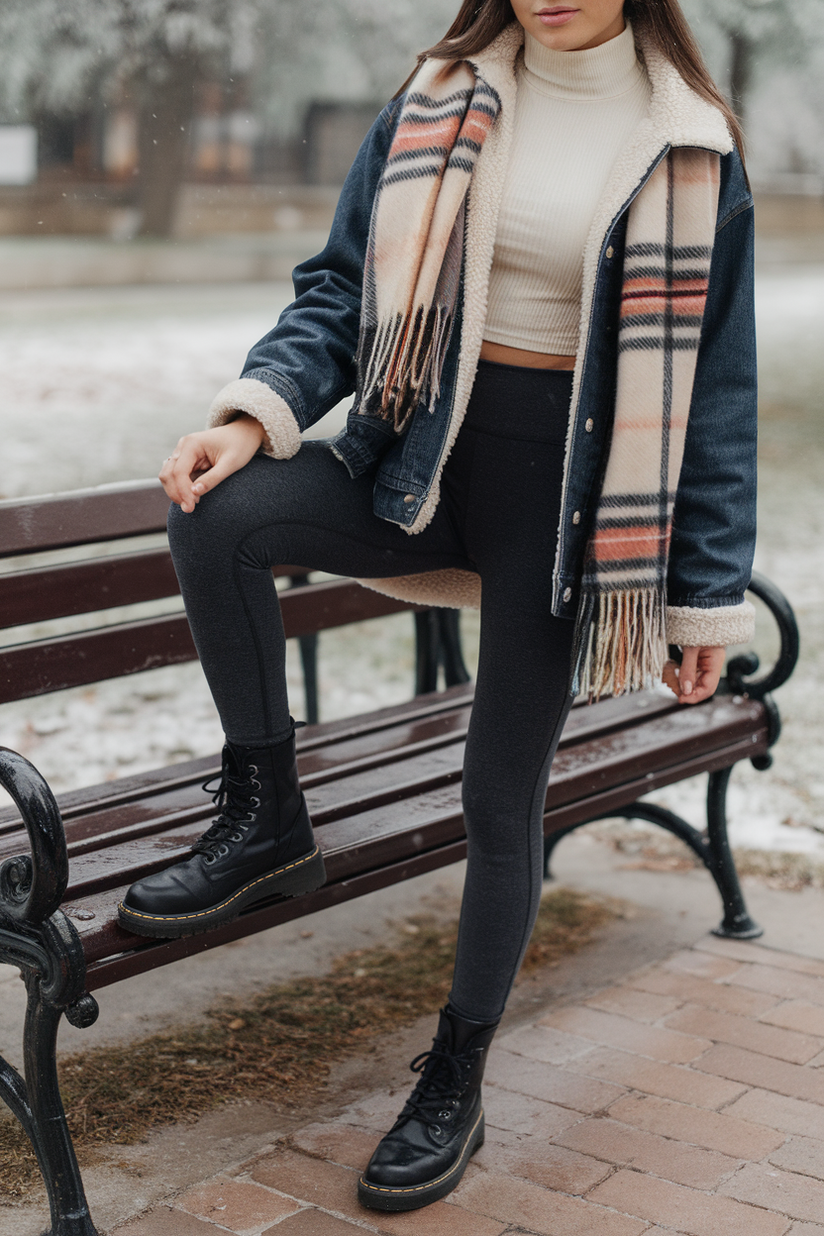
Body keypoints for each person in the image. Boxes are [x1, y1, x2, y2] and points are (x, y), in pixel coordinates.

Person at [118, 0, 757, 1213]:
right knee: (220, 513)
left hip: (570, 510)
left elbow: (718, 393)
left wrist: (702, 601)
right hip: (417, 465)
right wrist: (251, 416)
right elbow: (339, 290)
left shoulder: (690, 144)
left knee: (494, 800)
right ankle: (267, 821)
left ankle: (453, 1075)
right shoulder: (438, 94)